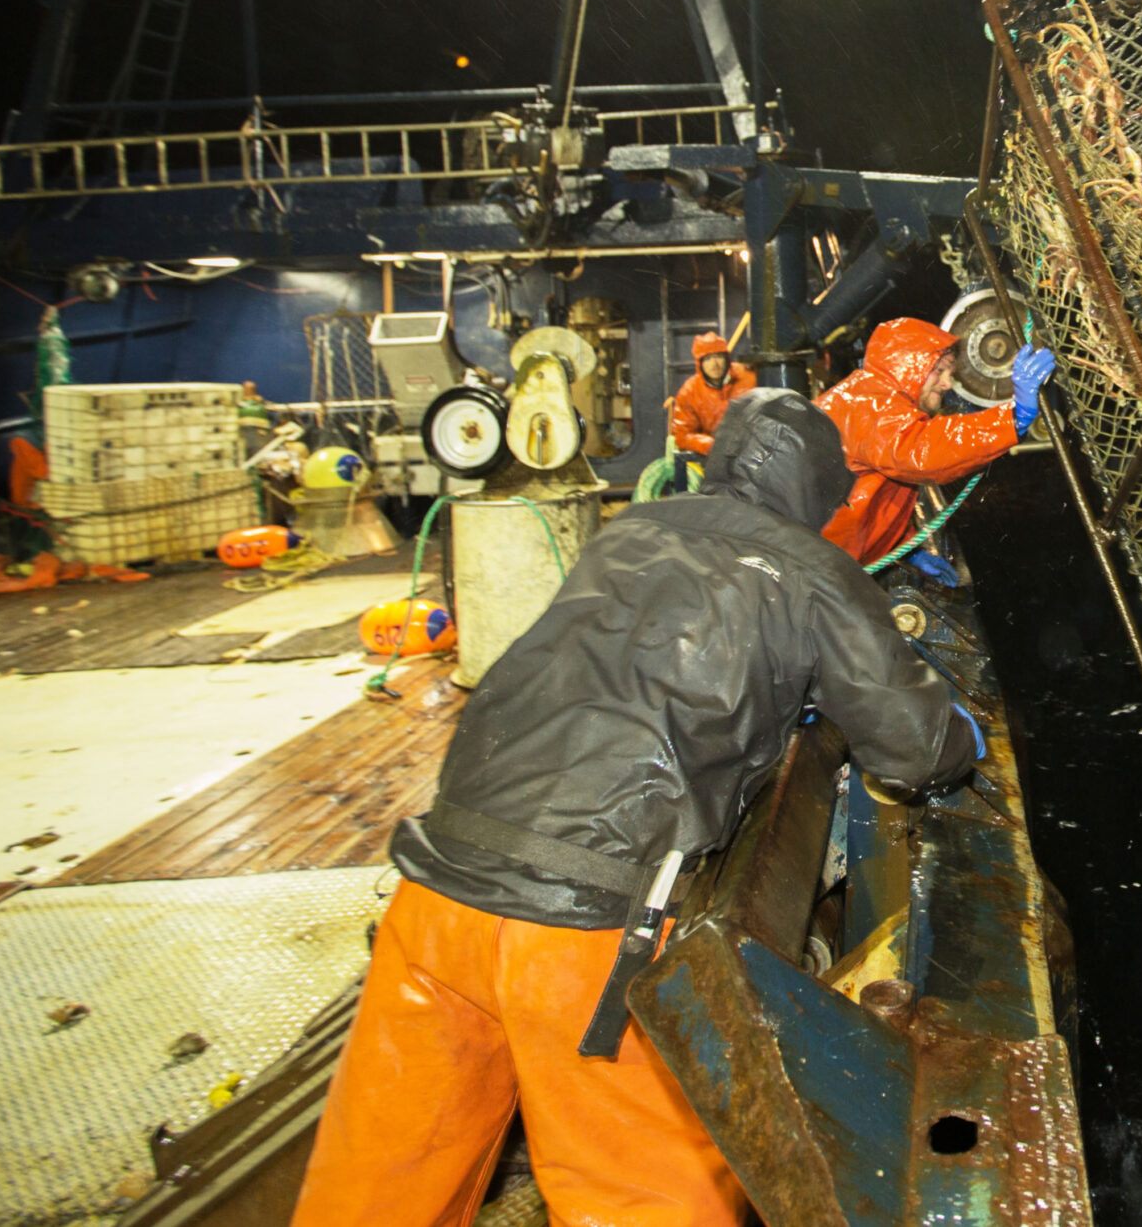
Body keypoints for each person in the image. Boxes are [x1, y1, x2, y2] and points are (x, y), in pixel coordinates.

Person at [292, 389, 981, 1227]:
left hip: (437, 893)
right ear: (820, 489)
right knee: (639, 1198)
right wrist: (961, 734)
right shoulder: (813, 573)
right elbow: (915, 747)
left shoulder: (628, 532)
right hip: (584, 931)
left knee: (380, 1180)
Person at [814, 316, 1056, 569]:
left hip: (827, 557)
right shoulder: (868, 404)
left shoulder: (867, 398)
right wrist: (1013, 418)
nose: (947, 384)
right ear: (905, 364)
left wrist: (902, 549)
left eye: (950, 373)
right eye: (939, 370)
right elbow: (922, 452)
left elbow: (874, 499)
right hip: (816, 567)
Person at [667, 331, 756, 462]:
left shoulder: (749, 378)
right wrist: (711, 445)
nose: (714, 364)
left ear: (727, 359)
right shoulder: (689, 392)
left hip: (751, 453)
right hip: (712, 460)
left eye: (719, 357)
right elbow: (682, 436)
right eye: (708, 359)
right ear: (700, 363)